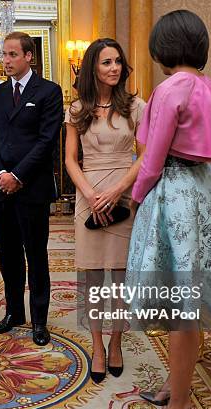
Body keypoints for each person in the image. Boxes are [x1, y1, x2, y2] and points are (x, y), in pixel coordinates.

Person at [121, 10, 211, 409]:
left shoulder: (170, 88)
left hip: (174, 194)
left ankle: (181, 407)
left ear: (163, 47)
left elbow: (151, 158)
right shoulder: (207, 86)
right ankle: (175, 387)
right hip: (201, 191)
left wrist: (134, 198)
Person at [64, 38, 145, 383]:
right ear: (92, 68)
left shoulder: (136, 107)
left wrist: (116, 191)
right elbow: (70, 159)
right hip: (89, 198)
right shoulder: (77, 109)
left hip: (123, 196)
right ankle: (97, 346)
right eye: (106, 62)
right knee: (94, 279)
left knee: (121, 281)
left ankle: (116, 343)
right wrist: (90, 193)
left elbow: (145, 157)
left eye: (117, 62)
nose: (114, 68)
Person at [0, 31, 63, 346]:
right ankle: (14, 313)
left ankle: (39, 321)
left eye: (13, 55)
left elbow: (46, 141)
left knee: (36, 255)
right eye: (4, 55)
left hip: (32, 189)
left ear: (29, 56)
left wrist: (18, 175)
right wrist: (1, 172)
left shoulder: (49, 92)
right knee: (8, 256)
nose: (6, 61)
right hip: (2, 188)